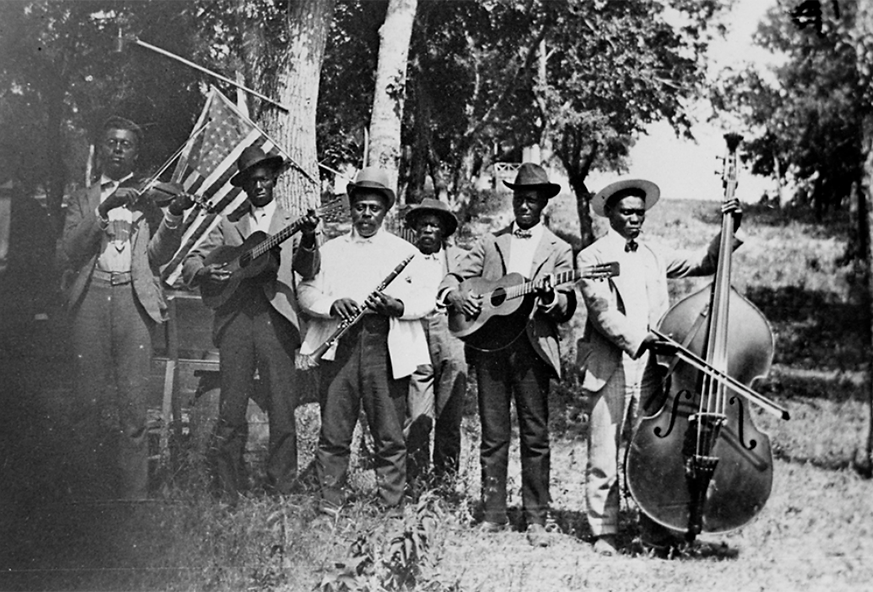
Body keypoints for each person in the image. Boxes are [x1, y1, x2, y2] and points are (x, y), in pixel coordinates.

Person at [576, 178, 742, 556]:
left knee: (650, 450)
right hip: (610, 365)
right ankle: (604, 532)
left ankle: (653, 528)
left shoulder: (653, 253)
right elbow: (602, 312)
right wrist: (644, 338)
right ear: (611, 215)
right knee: (604, 452)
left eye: (640, 212)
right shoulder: (591, 256)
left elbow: (706, 261)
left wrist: (729, 228)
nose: (635, 219)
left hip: (653, 369)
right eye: (627, 212)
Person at [438, 162, 577, 547]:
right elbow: (453, 276)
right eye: (519, 198)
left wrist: (550, 296)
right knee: (493, 434)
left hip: (532, 349)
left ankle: (536, 518)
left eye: (532, 199)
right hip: (490, 349)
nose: (525, 205)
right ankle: (493, 514)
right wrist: (456, 295)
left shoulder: (559, 249)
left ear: (543, 204)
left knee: (535, 435)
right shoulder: (490, 241)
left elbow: (567, 304)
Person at [59, 116, 195, 500]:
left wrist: (174, 215)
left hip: (133, 302)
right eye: (111, 142)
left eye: (126, 144)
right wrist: (104, 209)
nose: (118, 149)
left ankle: (133, 500)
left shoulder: (147, 197)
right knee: (86, 402)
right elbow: (69, 251)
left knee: (134, 408)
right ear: (101, 149)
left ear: (136, 153)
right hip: (91, 298)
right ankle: (83, 497)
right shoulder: (84, 196)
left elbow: (158, 257)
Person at [182, 146, 320, 499]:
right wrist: (204, 271)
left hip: (276, 321)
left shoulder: (291, 222)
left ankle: (281, 491)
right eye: (251, 181)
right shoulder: (229, 223)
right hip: (236, 321)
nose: (258, 185)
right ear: (243, 185)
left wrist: (307, 237)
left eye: (264, 178)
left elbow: (309, 270)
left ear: (274, 180)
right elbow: (192, 260)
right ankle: (227, 491)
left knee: (281, 409)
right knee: (231, 409)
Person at [298, 167, 432, 513]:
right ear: (352, 208)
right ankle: (330, 502)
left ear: (385, 210)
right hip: (340, 344)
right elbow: (306, 292)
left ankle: (390, 504)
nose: (366, 215)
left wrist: (397, 306)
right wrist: (331, 305)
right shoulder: (331, 249)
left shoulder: (406, 252)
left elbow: (427, 299)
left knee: (389, 431)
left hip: (384, 344)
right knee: (335, 429)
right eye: (360, 207)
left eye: (374, 208)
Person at [403, 198, 468, 486]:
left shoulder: (461, 259)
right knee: (417, 416)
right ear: (415, 229)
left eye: (434, 225)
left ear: (443, 231)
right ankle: (415, 482)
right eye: (423, 225)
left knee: (450, 416)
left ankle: (445, 484)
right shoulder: (404, 258)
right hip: (415, 333)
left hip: (451, 334)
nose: (428, 230)